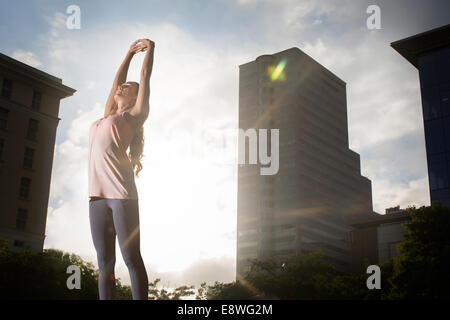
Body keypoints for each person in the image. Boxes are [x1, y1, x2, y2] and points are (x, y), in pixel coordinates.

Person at [88, 38, 155, 300]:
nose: (121, 87)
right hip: (96, 197)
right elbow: (117, 80)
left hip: (122, 196)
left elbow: (145, 76)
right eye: (121, 86)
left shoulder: (133, 116)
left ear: (136, 97)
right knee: (104, 262)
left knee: (130, 258)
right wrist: (127, 53)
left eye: (127, 87)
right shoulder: (106, 115)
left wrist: (150, 51)